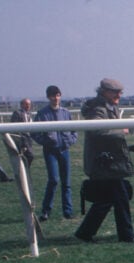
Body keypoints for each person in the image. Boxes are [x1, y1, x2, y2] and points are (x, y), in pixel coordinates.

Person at [73, 78, 134, 243]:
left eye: (120, 92)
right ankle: (126, 236)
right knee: (120, 197)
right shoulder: (98, 109)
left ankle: (85, 232)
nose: (119, 95)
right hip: (105, 163)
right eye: (116, 92)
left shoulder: (107, 106)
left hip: (108, 162)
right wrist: (123, 130)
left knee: (106, 199)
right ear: (105, 92)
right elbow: (98, 130)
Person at [32, 85, 78, 222]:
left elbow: (74, 130)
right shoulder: (42, 114)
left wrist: (70, 141)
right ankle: (46, 210)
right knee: (53, 180)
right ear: (48, 97)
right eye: (53, 96)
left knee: (66, 182)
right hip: (50, 151)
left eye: (57, 95)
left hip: (64, 150)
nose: (55, 98)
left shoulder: (65, 113)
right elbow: (34, 132)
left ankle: (67, 211)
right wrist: (45, 141)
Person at [9, 98, 35, 169]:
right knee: (30, 155)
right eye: (26, 104)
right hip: (21, 139)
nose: (28, 106)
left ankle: (24, 170)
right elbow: (13, 127)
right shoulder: (17, 113)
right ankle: (24, 169)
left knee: (26, 156)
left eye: (29, 104)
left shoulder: (30, 114)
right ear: (21, 105)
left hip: (29, 138)